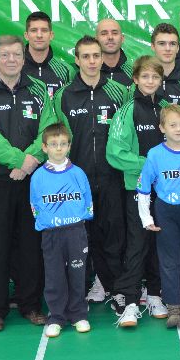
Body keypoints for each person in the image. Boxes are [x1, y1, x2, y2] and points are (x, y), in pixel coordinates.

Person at [0, 34, 56, 332]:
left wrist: (30, 162)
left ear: (23, 58)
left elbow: (47, 129)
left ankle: (31, 305)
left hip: (32, 180)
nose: (11, 60)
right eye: (4, 55)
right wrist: (19, 161)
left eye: (17, 54)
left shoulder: (38, 89)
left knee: (30, 244)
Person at [53, 36, 129, 315]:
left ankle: (117, 288)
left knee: (114, 235)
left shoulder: (119, 92)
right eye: (85, 56)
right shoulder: (64, 96)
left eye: (96, 55)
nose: (92, 61)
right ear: (77, 60)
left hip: (112, 178)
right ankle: (84, 287)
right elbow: (57, 138)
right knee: (80, 237)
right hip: (77, 180)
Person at [107, 56, 171, 327]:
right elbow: (115, 152)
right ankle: (130, 300)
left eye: (155, 77)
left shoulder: (169, 109)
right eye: (145, 76)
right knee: (137, 242)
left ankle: (155, 294)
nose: (150, 81)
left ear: (161, 80)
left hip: (166, 189)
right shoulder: (127, 111)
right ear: (135, 79)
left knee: (160, 242)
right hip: (138, 189)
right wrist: (151, 165)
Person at [137, 104, 180, 329]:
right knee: (168, 261)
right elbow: (144, 188)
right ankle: (173, 306)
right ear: (162, 128)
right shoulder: (155, 154)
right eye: (173, 125)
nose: (178, 129)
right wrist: (147, 219)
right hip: (165, 211)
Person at [30, 122, 93, 338]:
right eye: (54, 144)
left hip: (75, 232)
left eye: (63, 144)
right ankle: (56, 316)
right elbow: (35, 205)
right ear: (44, 147)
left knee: (77, 274)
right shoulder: (38, 176)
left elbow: (87, 199)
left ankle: (78, 314)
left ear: (69, 146)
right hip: (51, 234)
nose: (59, 148)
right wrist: (48, 222)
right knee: (54, 276)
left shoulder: (78, 173)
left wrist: (79, 218)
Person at [23, 11, 77, 99]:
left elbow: (72, 103)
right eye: (34, 30)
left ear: (51, 35)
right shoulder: (14, 68)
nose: (39, 35)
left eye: (44, 30)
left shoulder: (66, 71)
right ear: (26, 35)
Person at [150, 23, 180, 104]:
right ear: (153, 46)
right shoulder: (143, 81)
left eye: (172, 44)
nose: (167, 49)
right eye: (162, 43)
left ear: (178, 48)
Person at [97, 18, 134, 87]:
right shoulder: (87, 71)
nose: (110, 37)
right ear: (96, 39)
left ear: (122, 38)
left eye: (115, 33)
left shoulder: (136, 71)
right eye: (104, 33)